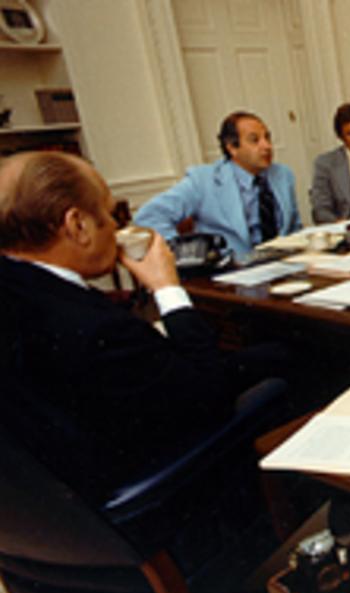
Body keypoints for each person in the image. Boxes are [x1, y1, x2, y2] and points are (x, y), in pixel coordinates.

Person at [0, 151, 290, 503]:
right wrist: (168, 288)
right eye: (110, 215)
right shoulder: (96, 329)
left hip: (49, 509)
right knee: (285, 362)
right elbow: (208, 396)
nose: (116, 229)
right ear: (77, 226)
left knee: (262, 354)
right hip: (148, 484)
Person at [135, 111, 301, 260]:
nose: (267, 146)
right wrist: (184, 252)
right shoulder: (203, 180)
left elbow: (293, 228)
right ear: (232, 148)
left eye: (267, 137)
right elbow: (148, 217)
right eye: (254, 140)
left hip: (284, 265)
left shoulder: (283, 175)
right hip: (230, 272)